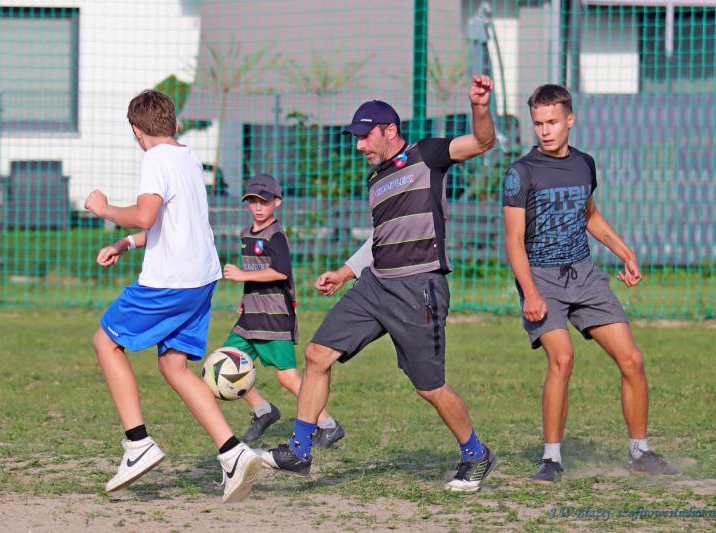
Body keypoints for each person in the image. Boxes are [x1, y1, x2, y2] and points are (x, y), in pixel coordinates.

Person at [259, 75, 499, 493]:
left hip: (418, 288)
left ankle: (476, 454)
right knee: (317, 354)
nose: (359, 146)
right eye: (355, 138)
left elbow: (482, 142)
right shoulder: (375, 179)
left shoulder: (427, 155)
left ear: (390, 131)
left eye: (364, 137)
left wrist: (479, 107)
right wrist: (346, 272)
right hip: (375, 285)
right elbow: (381, 237)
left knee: (430, 388)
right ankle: (299, 451)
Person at [84, 89, 261, 503]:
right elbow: (172, 224)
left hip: (171, 281)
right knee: (173, 365)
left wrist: (103, 209)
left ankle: (138, 444)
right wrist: (127, 243)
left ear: (136, 130)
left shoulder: (154, 159)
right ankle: (233, 453)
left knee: (105, 342)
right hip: (201, 278)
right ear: (175, 123)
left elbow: (146, 214)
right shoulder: (187, 156)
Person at [502, 84, 680, 485]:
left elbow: (589, 215)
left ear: (570, 120)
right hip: (542, 277)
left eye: (552, 122)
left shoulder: (584, 164)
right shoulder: (520, 173)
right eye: (538, 123)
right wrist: (530, 292)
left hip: (584, 274)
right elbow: (513, 241)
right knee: (562, 359)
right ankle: (551, 458)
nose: (545, 130)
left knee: (632, 359)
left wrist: (624, 251)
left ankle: (640, 452)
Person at [220, 173, 345, 446]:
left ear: (277, 202)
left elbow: (280, 272)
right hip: (250, 316)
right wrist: (246, 296)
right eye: (252, 201)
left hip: (275, 318)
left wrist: (242, 276)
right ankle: (263, 410)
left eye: (264, 201)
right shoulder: (245, 234)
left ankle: (328, 424)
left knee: (287, 378)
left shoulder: (275, 235)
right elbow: (256, 271)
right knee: (226, 362)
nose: (258, 207)